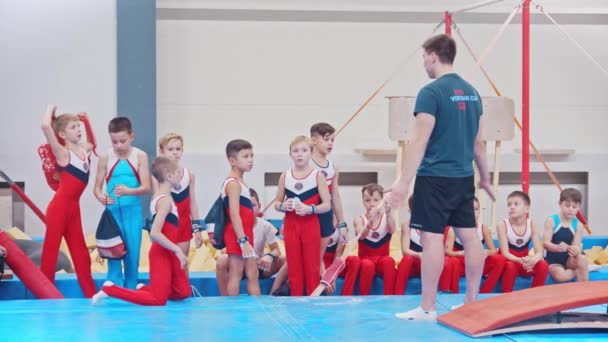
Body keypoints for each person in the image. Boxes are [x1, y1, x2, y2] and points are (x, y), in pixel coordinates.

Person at [383, 34, 493, 320]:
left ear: (432, 55)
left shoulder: (430, 93)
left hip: (434, 177)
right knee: (470, 238)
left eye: (423, 57)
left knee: (431, 239)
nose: (423, 63)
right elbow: (479, 144)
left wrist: (403, 182)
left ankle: (428, 307)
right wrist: (485, 178)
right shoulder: (473, 93)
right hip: (463, 177)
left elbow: (418, 141)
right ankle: (471, 302)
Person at [92, 156, 190, 306]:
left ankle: (144, 289)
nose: (181, 175)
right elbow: (155, 233)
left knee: (183, 292)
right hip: (162, 253)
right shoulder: (164, 201)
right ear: (169, 176)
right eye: (178, 172)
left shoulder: (164, 198)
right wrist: (177, 250)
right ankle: (111, 289)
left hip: (169, 252)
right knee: (158, 300)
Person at [40, 105, 96, 297]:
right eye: (74, 127)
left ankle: (90, 293)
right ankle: (45, 294)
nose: (78, 130)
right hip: (59, 209)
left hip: (73, 209)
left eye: (78, 126)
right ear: (62, 135)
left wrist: (87, 122)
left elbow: (93, 144)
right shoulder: (63, 154)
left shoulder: (84, 151)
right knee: (51, 251)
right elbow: (45, 126)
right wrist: (50, 109)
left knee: (80, 251)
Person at [94, 117, 150, 289]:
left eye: (122, 141)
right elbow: (96, 188)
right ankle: (114, 288)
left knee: (132, 255)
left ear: (131, 136)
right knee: (114, 253)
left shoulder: (140, 156)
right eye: (114, 141)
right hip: (113, 214)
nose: (118, 145)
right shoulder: (105, 157)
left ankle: (131, 287)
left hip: (132, 212)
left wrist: (129, 191)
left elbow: (146, 187)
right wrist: (101, 196)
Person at [274, 136, 331, 296]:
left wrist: (310, 209)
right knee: (294, 266)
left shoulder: (317, 176)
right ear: (291, 154)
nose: (300, 154)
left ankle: (313, 303)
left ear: (311, 153)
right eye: (296, 151)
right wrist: (283, 206)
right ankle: (295, 300)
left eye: (304, 150)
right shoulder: (285, 176)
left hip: (310, 225)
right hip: (291, 226)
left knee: (312, 267)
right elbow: (277, 203)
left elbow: (327, 205)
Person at [216, 188, 286, 295]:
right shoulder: (233, 225)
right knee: (222, 260)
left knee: (287, 260)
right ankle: (224, 297)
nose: (249, 209)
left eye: (252, 205)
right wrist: (246, 255)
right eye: (245, 206)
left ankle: (274, 293)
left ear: (259, 206)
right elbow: (222, 251)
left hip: (259, 266)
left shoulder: (265, 225)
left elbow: (276, 250)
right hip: (237, 265)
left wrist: (269, 256)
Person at [395, 196, 458, 295]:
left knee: (447, 261)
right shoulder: (407, 224)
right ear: (411, 211)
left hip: (431, 265)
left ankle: (445, 293)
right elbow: (405, 250)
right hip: (416, 264)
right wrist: (419, 255)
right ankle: (398, 294)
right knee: (407, 259)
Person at [222, 139, 259, 296]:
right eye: (245, 156)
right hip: (237, 235)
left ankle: (257, 307)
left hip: (245, 233)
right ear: (232, 160)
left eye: (251, 155)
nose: (250, 160)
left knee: (253, 275)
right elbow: (234, 214)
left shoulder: (241, 181)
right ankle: (232, 310)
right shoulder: (233, 183)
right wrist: (242, 240)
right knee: (236, 275)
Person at [155, 133, 203, 255]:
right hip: (165, 227)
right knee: (166, 266)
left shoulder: (189, 175)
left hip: (184, 227)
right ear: (162, 151)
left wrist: (197, 229)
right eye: (170, 149)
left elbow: (193, 204)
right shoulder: (157, 176)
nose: (175, 152)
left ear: (182, 150)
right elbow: (156, 203)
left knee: (182, 265)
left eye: (178, 149)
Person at [445, 197, 505, 293]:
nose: (473, 212)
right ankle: (454, 293)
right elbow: (447, 252)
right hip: (461, 264)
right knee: (451, 262)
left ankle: (485, 292)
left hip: (477, 263)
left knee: (500, 259)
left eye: (476, 209)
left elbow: (494, 251)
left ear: (479, 212)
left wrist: (485, 252)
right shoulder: (454, 228)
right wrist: (461, 253)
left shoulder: (483, 228)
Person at [310, 123, 348, 274]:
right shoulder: (307, 163)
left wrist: (342, 223)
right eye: (326, 139)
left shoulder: (333, 167)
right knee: (302, 260)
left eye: (333, 140)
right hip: (308, 216)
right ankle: (277, 290)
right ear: (313, 140)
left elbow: (335, 195)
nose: (330, 143)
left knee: (317, 258)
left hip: (324, 216)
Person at [497, 191, 548, 292]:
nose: (511, 207)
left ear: (527, 209)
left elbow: (539, 252)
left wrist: (532, 260)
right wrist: (520, 260)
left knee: (543, 264)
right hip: (509, 262)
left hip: (523, 263)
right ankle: (506, 296)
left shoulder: (532, 224)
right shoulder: (502, 225)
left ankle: (535, 294)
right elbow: (505, 253)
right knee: (510, 266)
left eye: (516, 204)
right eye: (509, 204)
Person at [354, 184, 397, 295]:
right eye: (368, 200)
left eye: (376, 200)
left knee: (389, 261)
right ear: (363, 201)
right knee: (368, 265)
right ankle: (364, 297)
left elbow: (393, 230)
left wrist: (388, 214)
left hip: (382, 260)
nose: (372, 204)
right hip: (366, 260)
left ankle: (390, 296)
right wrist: (369, 224)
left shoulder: (387, 218)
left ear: (382, 201)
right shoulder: (359, 219)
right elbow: (361, 235)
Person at [543, 188, 588, 283]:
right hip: (554, 261)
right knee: (561, 276)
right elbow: (545, 243)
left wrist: (576, 249)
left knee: (582, 258)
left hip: (569, 260)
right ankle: (580, 271)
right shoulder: (552, 220)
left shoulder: (578, 225)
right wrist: (556, 247)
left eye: (574, 207)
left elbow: (577, 245)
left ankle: (584, 291)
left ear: (579, 207)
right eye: (567, 206)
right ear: (560, 204)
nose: (570, 209)